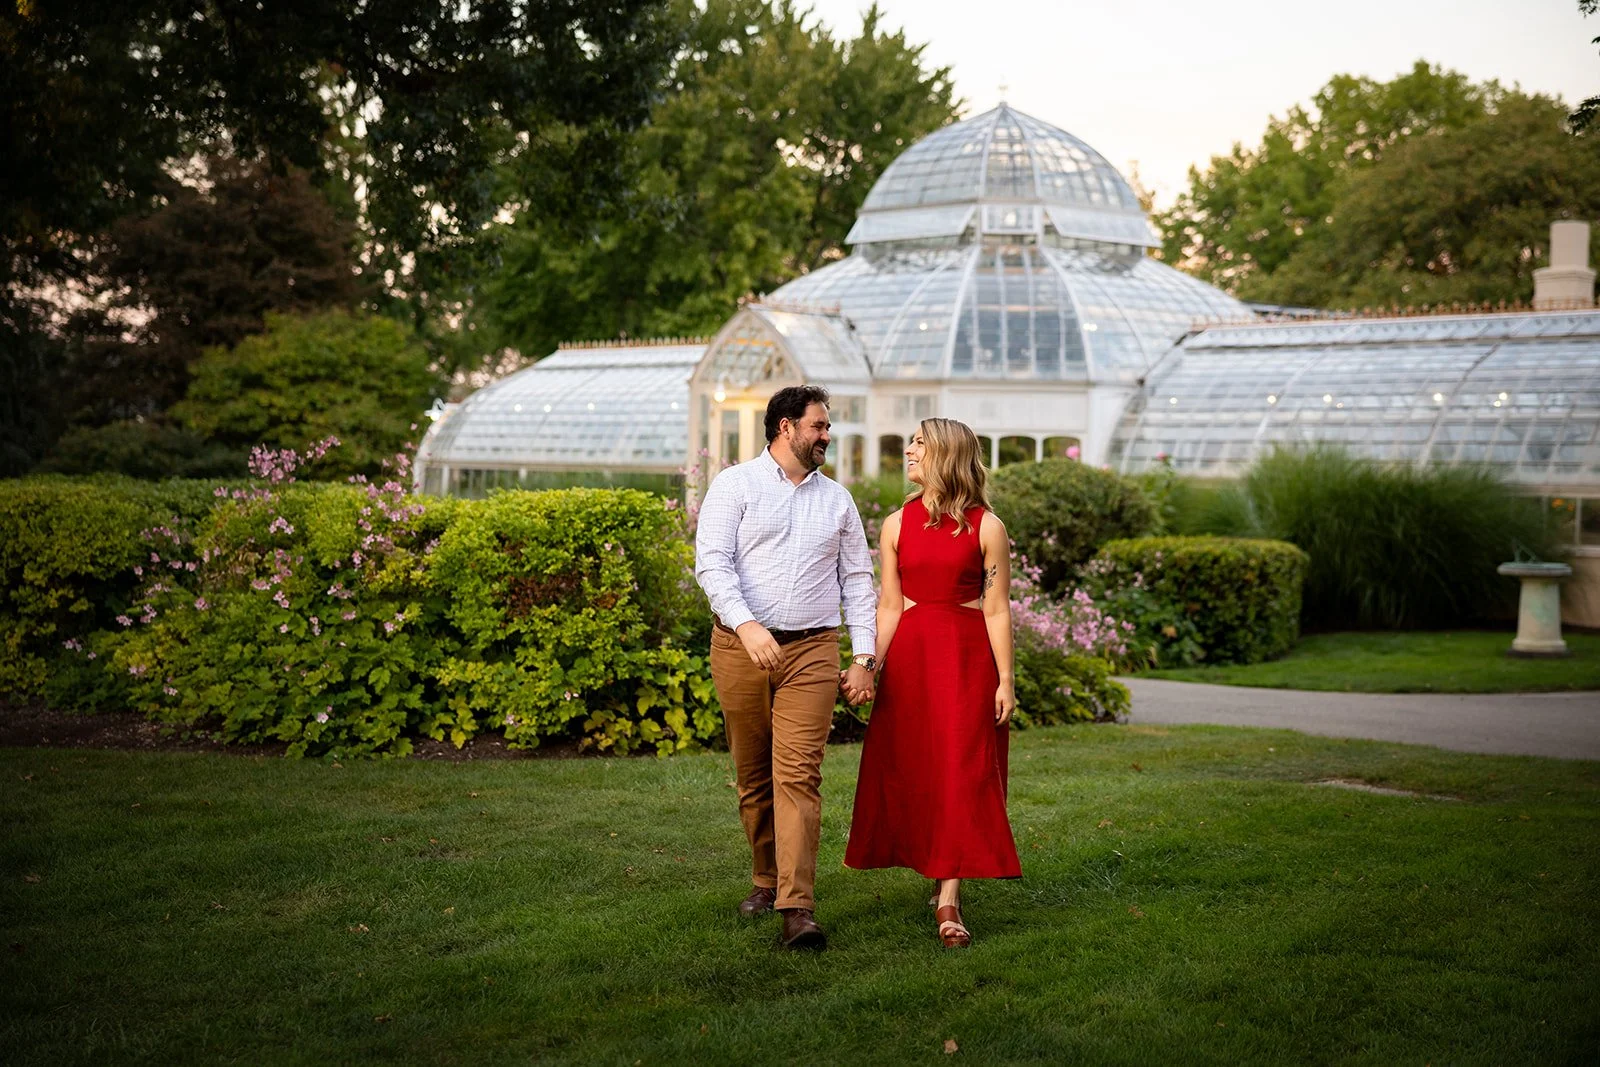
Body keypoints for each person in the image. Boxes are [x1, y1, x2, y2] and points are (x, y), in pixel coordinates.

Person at [693, 384, 877, 950]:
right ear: (785, 427)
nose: (827, 436)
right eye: (819, 426)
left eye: (827, 426)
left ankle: (797, 908)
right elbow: (712, 563)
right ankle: (765, 878)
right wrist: (747, 625)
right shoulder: (736, 485)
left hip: (812, 651)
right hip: (741, 648)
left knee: (798, 775)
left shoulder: (837, 500)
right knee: (754, 778)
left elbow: (857, 580)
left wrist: (864, 657)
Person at [843, 417, 1021, 948]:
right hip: (914, 659)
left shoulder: (987, 526)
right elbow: (890, 604)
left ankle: (949, 896)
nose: (911, 450)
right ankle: (935, 867)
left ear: (947, 454)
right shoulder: (896, 523)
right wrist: (869, 665)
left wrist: (1006, 679)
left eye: (920, 443)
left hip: (967, 660)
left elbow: (996, 609)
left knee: (962, 771)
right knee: (918, 769)